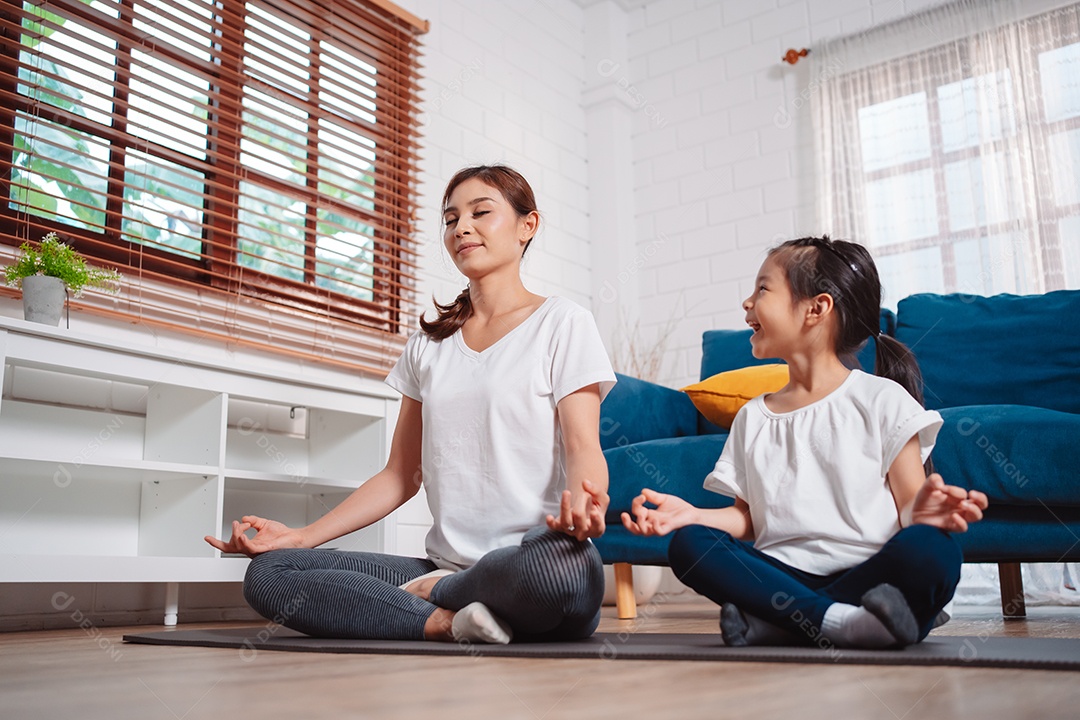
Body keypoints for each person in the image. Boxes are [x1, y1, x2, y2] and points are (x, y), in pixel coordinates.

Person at [206, 165, 616, 645]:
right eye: (451, 219)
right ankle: (445, 620)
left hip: (536, 561)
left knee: (557, 571)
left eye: (481, 212)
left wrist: (586, 505)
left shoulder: (563, 322)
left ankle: (440, 592)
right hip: (444, 561)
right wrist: (301, 536)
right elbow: (401, 475)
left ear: (528, 226)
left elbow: (583, 443)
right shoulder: (428, 345)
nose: (462, 227)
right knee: (271, 573)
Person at [622, 236, 989, 649]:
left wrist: (922, 511)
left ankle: (788, 623)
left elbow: (909, 506)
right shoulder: (753, 417)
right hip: (783, 575)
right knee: (690, 545)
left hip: (873, 571)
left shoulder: (882, 399)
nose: (747, 302)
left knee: (936, 550)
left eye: (762, 289)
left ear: (816, 308)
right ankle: (845, 622)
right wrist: (692, 516)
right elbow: (748, 521)